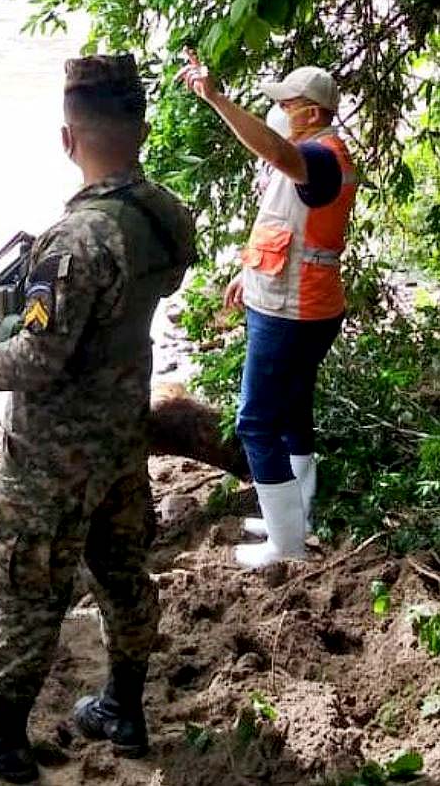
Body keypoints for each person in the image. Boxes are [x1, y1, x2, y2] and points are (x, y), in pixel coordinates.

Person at [0, 54, 195, 784]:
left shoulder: (72, 241)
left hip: (52, 454)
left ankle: (1, 734)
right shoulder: (165, 213)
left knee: (27, 586)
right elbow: (93, 311)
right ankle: (123, 707)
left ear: (68, 139)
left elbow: (33, 357)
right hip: (120, 436)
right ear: (143, 128)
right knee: (123, 572)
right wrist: (20, 297)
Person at [178, 55, 356, 569]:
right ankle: (296, 517)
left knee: (255, 422)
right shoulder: (313, 154)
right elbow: (290, 227)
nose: (276, 111)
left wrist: (215, 98)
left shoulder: (319, 159)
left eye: (284, 104)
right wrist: (247, 275)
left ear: (311, 112)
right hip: (295, 299)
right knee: (293, 410)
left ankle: (287, 545)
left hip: (293, 310)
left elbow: (273, 150)